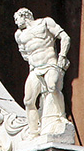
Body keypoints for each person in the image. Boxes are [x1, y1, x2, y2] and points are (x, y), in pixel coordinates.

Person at [13, 7, 71, 137]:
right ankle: (34, 132)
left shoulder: (45, 22)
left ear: (25, 16)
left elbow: (65, 38)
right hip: (35, 69)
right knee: (28, 101)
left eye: (17, 19)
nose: (17, 23)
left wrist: (62, 56)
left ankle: (61, 117)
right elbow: (25, 54)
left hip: (50, 64)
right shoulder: (19, 35)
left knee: (53, 88)